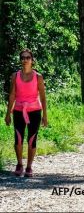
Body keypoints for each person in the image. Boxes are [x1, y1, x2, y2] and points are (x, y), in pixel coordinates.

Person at [4, 48, 48, 177]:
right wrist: (8, 114)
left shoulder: (38, 77)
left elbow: (43, 97)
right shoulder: (15, 76)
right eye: (23, 58)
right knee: (18, 139)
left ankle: (29, 166)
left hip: (34, 111)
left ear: (32, 60)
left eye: (28, 57)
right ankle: (19, 164)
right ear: (20, 60)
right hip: (18, 110)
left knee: (31, 139)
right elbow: (12, 95)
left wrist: (45, 115)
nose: (25, 60)